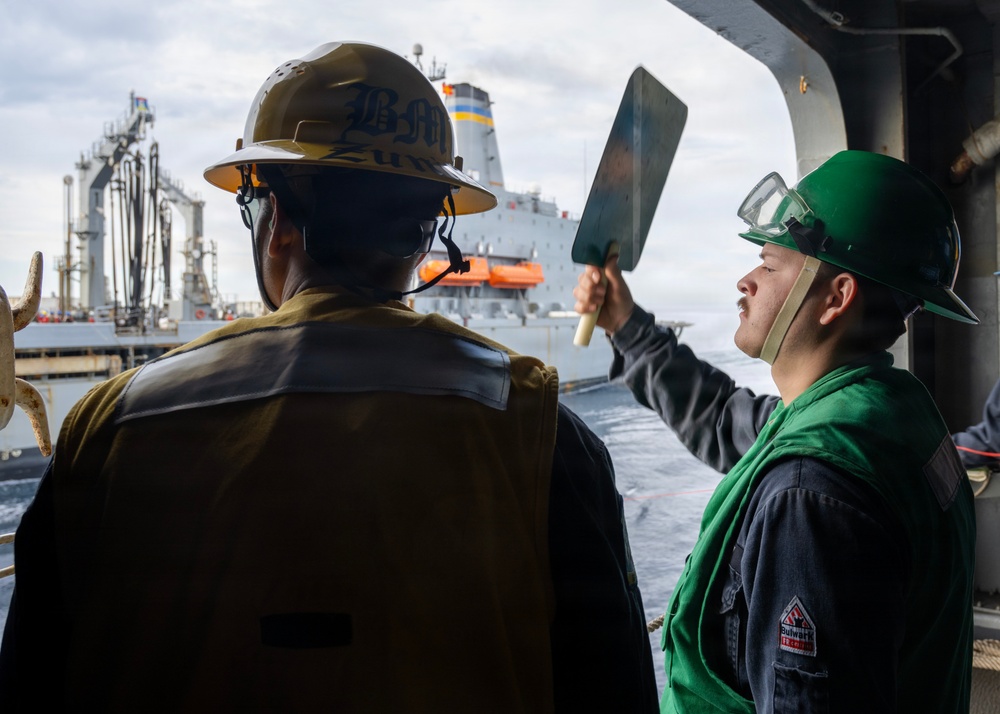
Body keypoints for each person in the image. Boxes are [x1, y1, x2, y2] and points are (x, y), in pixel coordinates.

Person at [0, 42, 657, 712]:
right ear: (426, 232)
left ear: (275, 220)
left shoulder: (106, 432)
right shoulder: (543, 435)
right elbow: (616, 690)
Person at [575, 150, 977, 713]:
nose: (746, 280)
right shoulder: (878, 414)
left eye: (768, 263)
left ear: (836, 297)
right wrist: (626, 325)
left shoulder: (813, 491)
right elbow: (724, 419)